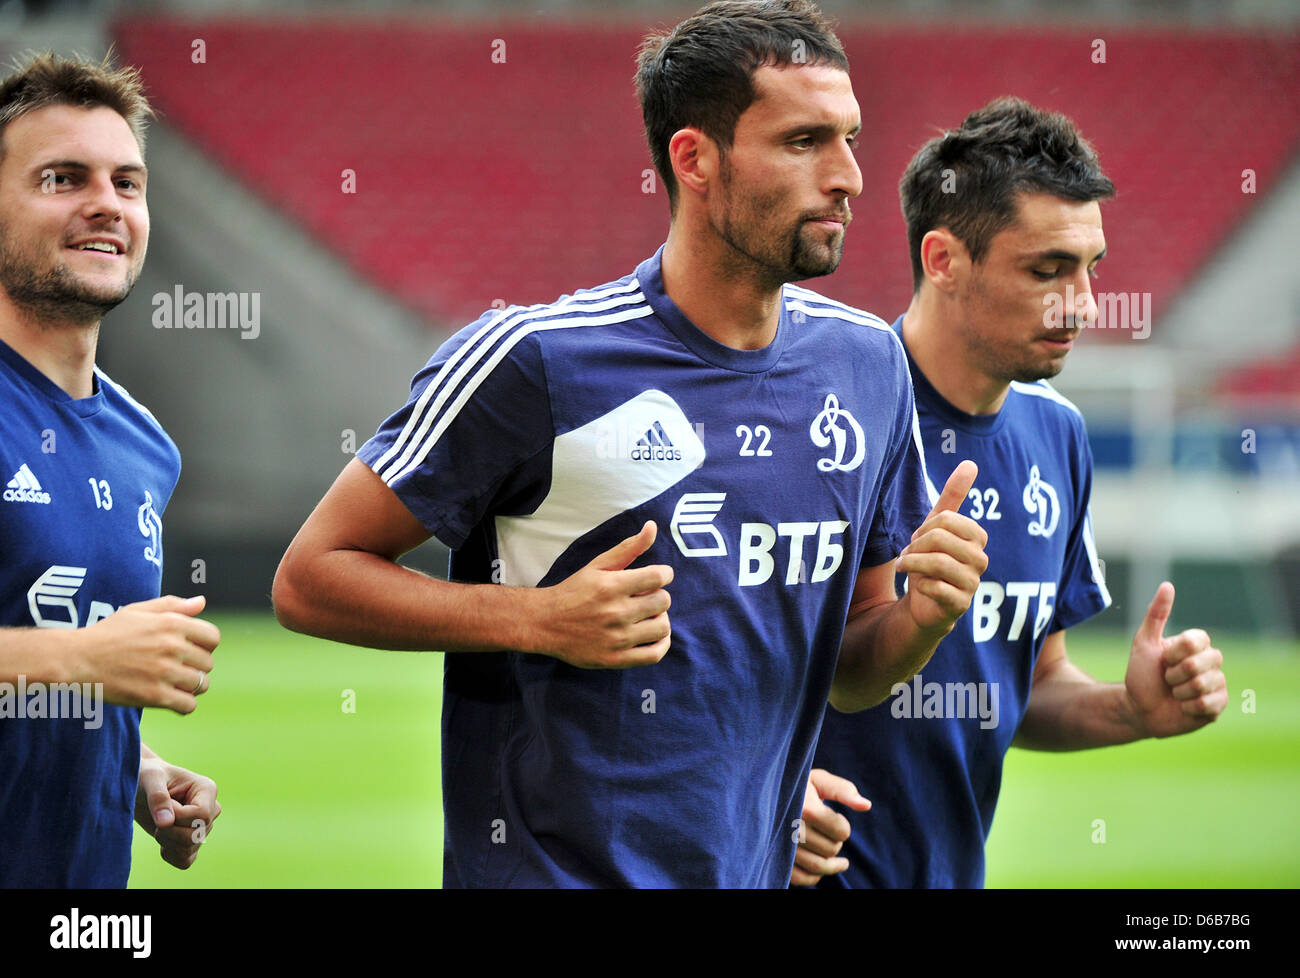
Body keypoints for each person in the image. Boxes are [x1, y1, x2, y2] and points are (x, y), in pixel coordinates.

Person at [273, 0, 988, 888]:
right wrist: (535, 620)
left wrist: (922, 619)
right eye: (804, 141)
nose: (848, 175)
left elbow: (850, 671)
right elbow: (310, 578)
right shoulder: (537, 359)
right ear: (695, 159)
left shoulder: (868, 364)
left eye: (850, 138)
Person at [793, 97, 1228, 889]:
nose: (1083, 303)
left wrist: (1131, 712)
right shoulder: (823, 419)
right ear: (943, 259)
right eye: (1046, 269)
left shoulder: (1057, 435)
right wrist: (762, 809)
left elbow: (1025, 688)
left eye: (1091, 267)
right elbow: (709, 673)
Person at [0, 53, 221, 887]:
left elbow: (52, 657)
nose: (107, 203)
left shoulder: (143, 443)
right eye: (62, 178)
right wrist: (85, 664)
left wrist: (138, 770)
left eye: (127, 183)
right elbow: (74, 657)